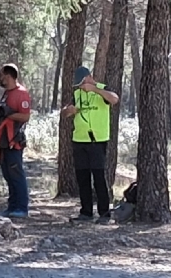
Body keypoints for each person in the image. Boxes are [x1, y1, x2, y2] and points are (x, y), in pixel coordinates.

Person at [62, 65, 120, 224]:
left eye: (82, 83)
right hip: (79, 140)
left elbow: (114, 99)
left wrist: (95, 90)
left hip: (97, 140)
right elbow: (65, 111)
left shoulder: (102, 90)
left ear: (89, 77)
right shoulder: (77, 93)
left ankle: (104, 213)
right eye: (78, 84)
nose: (80, 86)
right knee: (82, 177)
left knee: (99, 177)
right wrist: (69, 110)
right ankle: (86, 212)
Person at [0, 63, 31, 218]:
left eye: (1, 75)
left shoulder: (21, 93)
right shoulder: (6, 93)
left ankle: (21, 207)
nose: (0, 78)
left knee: (16, 173)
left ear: (8, 76)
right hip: (3, 141)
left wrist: (9, 114)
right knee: (8, 174)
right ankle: (12, 206)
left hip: (14, 140)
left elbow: (25, 116)